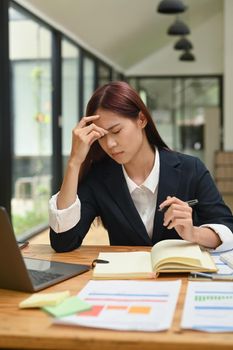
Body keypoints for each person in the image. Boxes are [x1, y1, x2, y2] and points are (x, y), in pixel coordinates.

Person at [49, 81, 233, 253]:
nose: (110, 144)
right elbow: (63, 242)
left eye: (116, 131)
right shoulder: (99, 177)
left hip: (182, 279)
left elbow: (227, 229)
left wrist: (193, 233)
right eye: (101, 136)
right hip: (126, 281)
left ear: (142, 119)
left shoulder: (190, 168)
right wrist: (74, 162)